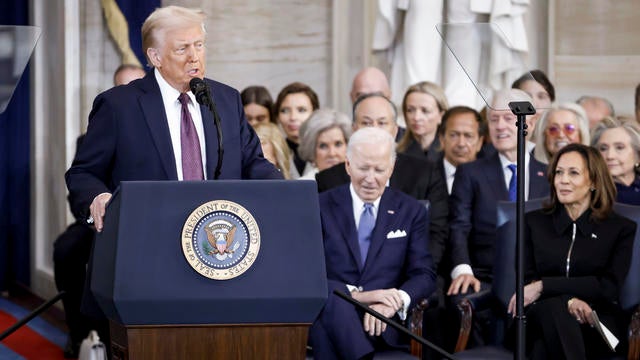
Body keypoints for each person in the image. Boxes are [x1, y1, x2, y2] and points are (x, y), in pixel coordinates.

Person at [66, 5, 282, 232]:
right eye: (182, 49)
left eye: (199, 45)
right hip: (147, 238)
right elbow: (83, 173)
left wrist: (286, 192)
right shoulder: (118, 106)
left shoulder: (226, 100)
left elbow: (253, 163)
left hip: (218, 242)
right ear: (155, 56)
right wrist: (99, 197)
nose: (194, 57)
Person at [308, 127, 436, 359]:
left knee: (324, 325)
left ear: (391, 168)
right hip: (333, 313)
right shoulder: (319, 206)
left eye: (379, 169)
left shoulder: (410, 211)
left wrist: (394, 302)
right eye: (362, 168)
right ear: (348, 165)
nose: (370, 178)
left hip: (382, 326)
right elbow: (306, 274)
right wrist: (358, 296)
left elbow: (424, 274)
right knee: (329, 304)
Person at [507, 143, 636, 359]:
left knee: (542, 349)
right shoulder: (533, 222)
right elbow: (527, 281)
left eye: (573, 173)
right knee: (553, 310)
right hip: (537, 317)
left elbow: (608, 288)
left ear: (593, 181)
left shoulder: (620, 228)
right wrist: (569, 301)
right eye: (559, 172)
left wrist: (545, 285)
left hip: (593, 322)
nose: (563, 180)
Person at [55, 61, 148, 358]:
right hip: (101, 224)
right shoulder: (95, 132)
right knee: (68, 249)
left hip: (147, 224)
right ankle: (79, 331)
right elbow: (79, 186)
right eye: (123, 86)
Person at [447, 89, 550, 346]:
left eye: (508, 118)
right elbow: (458, 225)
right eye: (494, 120)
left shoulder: (549, 175)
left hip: (536, 279)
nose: (500, 126)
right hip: (485, 277)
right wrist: (463, 269)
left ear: (531, 122)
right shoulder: (470, 173)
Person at [316, 92, 449, 274]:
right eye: (367, 123)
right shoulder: (328, 179)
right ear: (354, 129)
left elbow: (436, 236)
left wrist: (410, 287)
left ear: (395, 130)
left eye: (382, 123)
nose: (375, 129)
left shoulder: (424, 173)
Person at [273, 82, 320, 179]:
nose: (293, 117)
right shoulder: (273, 152)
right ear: (277, 116)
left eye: (301, 110)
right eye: (285, 111)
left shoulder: (326, 149)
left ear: (315, 113)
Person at [592, 116, 640, 205]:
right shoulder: (590, 194)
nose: (610, 156)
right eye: (603, 148)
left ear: (637, 154)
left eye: (619, 147)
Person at [396, 81, 449, 162]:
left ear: (441, 116)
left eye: (425, 111)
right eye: (410, 110)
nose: (416, 117)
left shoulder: (451, 154)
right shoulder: (395, 154)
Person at [438, 106, 485, 194]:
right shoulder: (425, 177)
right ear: (442, 139)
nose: (461, 144)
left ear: (480, 142)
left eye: (468, 136)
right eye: (454, 135)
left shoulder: (491, 177)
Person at [297, 109, 351, 180]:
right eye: (323, 146)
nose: (332, 153)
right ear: (311, 151)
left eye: (338, 144)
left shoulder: (361, 184)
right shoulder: (303, 187)